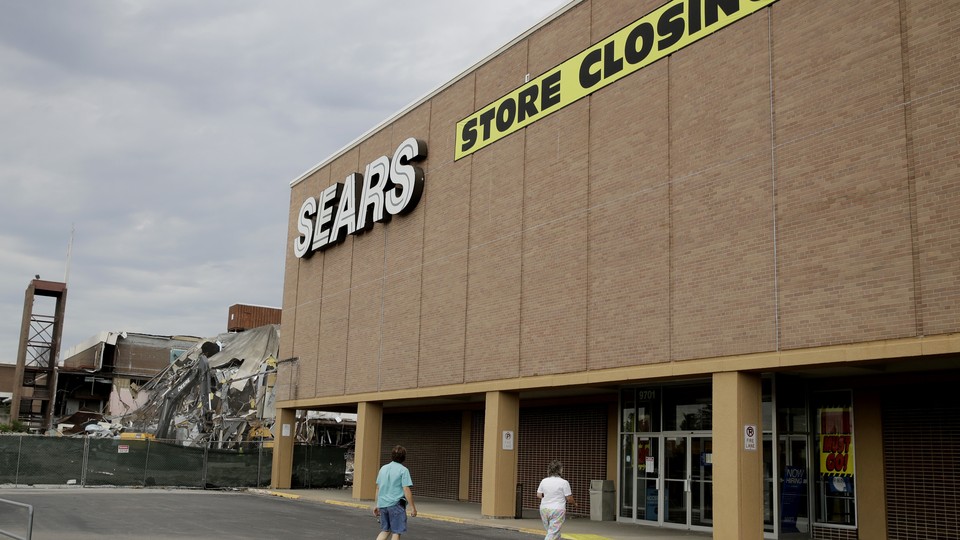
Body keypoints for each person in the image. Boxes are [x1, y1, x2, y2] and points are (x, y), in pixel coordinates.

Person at [373, 445, 417, 540]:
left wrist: (377, 505)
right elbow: (406, 489)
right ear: (404, 457)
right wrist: (412, 507)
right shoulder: (403, 470)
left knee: (385, 530)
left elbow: (378, 488)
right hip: (396, 505)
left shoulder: (383, 468)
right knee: (396, 532)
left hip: (383, 504)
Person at [536, 459, 576, 540]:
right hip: (557, 510)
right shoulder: (564, 482)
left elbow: (539, 495)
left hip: (544, 509)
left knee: (553, 532)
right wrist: (575, 504)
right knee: (552, 533)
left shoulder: (544, 481)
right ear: (560, 470)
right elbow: (569, 498)